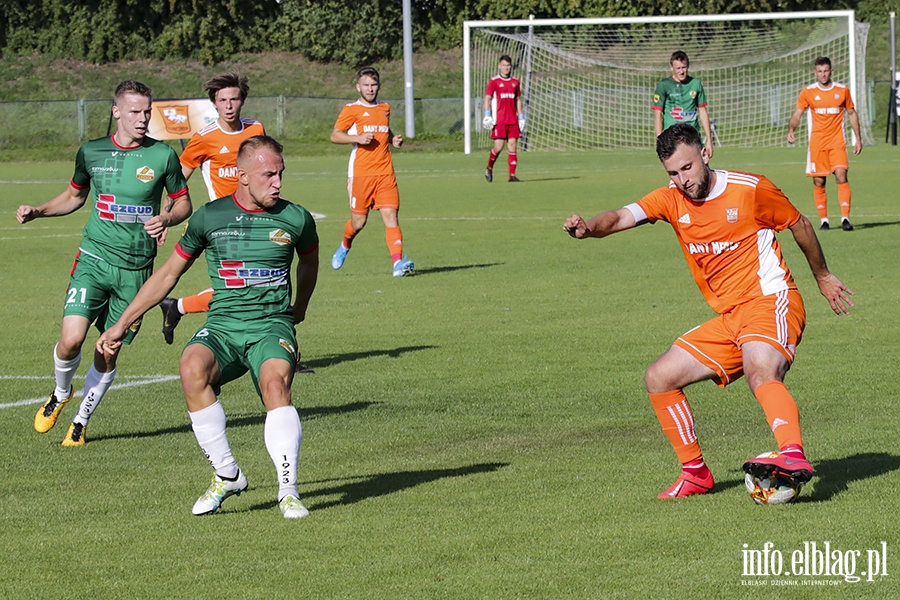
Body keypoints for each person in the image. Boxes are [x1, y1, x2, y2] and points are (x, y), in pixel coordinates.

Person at [563, 124, 853, 499]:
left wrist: (823, 276)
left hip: (771, 300)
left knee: (760, 369)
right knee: (660, 377)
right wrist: (589, 229)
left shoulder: (750, 189)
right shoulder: (670, 199)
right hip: (731, 318)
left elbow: (798, 223)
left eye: (687, 167)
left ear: (705, 153)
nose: (682, 179)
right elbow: (620, 216)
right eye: (672, 172)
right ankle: (696, 474)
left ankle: (793, 454)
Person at [96, 135, 319, 519]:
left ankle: (288, 491)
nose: (278, 183)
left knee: (275, 384)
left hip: (270, 326)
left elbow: (309, 263)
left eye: (281, 173)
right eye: (269, 174)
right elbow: (168, 274)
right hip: (224, 326)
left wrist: (299, 307)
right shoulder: (209, 217)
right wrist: (121, 324)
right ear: (243, 176)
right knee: (191, 366)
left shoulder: (296, 218)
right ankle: (227, 474)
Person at [16, 80, 192, 447]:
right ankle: (61, 394)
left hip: (137, 270)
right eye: (135, 111)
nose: (143, 118)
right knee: (71, 340)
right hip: (94, 259)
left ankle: (81, 421)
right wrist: (39, 211)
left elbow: (183, 203)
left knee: (107, 349)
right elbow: (73, 196)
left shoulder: (162, 156)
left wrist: (168, 219)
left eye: (147, 111)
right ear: (116, 112)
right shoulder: (91, 152)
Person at [158, 72, 264, 344]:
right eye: (223, 100)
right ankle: (282, 351)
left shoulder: (256, 130)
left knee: (258, 285)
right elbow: (177, 179)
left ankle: (177, 307)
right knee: (253, 286)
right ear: (215, 104)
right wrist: (166, 216)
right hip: (224, 223)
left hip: (258, 221)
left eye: (234, 99)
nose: (229, 105)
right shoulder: (205, 138)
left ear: (242, 101)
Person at [330, 66, 414, 277]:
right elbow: (335, 135)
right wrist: (356, 138)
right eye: (366, 85)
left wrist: (393, 139)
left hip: (385, 173)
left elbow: (383, 128)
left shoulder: (385, 107)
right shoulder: (351, 109)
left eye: (373, 85)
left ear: (379, 86)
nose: (370, 89)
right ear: (358, 87)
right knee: (359, 222)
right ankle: (345, 244)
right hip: (361, 174)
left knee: (391, 217)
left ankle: (397, 264)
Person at [787, 56, 862, 232]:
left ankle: (845, 218)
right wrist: (791, 130)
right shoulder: (808, 92)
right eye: (820, 71)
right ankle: (824, 220)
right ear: (815, 72)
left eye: (826, 71)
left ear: (831, 71)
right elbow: (797, 114)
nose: (823, 74)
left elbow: (851, 113)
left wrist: (858, 138)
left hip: (837, 142)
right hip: (817, 144)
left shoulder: (842, 90)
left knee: (841, 175)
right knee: (819, 181)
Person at [652, 50, 714, 158]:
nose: (681, 71)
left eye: (684, 67)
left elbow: (702, 111)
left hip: (693, 137)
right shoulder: (664, 85)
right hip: (673, 139)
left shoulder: (695, 84)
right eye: (678, 68)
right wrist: (660, 140)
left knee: (703, 169)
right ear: (671, 67)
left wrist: (709, 139)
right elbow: (658, 114)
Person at [482, 55, 524, 183]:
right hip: (499, 120)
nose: (506, 68)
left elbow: (517, 99)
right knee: (498, 147)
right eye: (504, 65)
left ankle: (512, 175)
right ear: (499, 66)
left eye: (508, 65)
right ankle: (489, 168)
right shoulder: (494, 81)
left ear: (511, 66)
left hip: (512, 120)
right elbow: (488, 97)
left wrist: (521, 117)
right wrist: (487, 114)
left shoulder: (515, 82)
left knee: (512, 146)